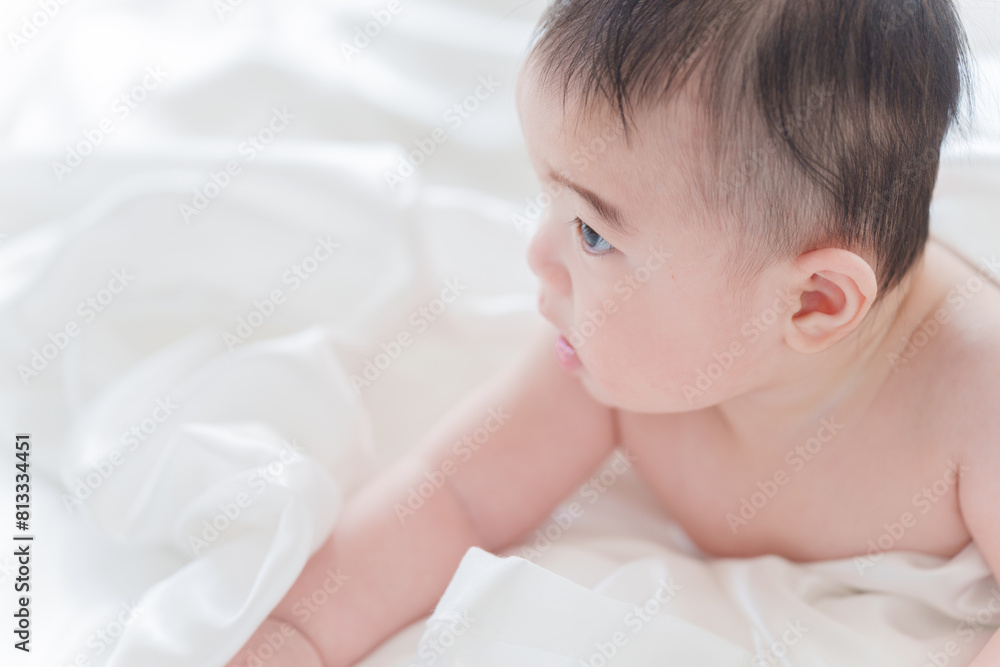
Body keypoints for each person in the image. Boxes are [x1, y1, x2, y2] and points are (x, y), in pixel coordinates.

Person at [227, 0, 1000, 664]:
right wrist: (298, 634)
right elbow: (453, 493)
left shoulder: (972, 397)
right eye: (549, 200)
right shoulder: (611, 361)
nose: (538, 255)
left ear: (813, 303)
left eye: (593, 233)